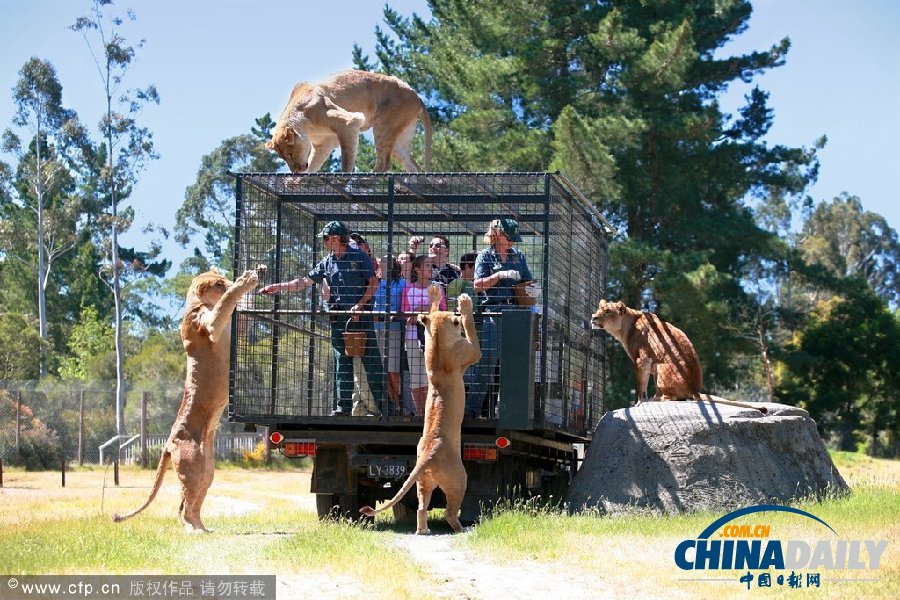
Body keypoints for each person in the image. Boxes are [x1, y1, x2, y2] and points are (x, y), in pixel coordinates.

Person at [260, 221, 385, 416]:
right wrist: (279, 287)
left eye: (326, 238)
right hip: (338, 319)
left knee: (372, 363)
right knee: (342, 364)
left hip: (361, 318)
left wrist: (360, 306)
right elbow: (304, 281)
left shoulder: (359, 256)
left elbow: (373, 284)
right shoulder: (327, 262)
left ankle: (384, 408)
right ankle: (343, 409)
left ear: (335, 238)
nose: (325, 242)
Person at [464, 218, 541, 418]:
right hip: (494, 313)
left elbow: (527, 281)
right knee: (487, 362)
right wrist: (500, 275)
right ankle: (471, 411)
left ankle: (512, 413)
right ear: (497, 234)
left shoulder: (518, 256)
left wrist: (532, 288)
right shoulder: (485, 257)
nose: (512, 241)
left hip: (516, 314)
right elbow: (477, 285)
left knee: (514, 364)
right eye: (509, 236)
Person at [402, 254, 446, 416]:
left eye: (431, 265)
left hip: (433, 338)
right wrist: (424, 312)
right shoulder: (408, 289)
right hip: (413, 337)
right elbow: (406, 314)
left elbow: (441, 311)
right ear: (417, 269)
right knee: (416, 376)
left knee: (431, 375)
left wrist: (421, 314)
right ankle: (419, 413)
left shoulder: (437, 288)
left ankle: (431, 412)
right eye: (427, 266)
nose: (430, 269)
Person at [373, 254, 409, 416]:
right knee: (382, 370)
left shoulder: (401, 282)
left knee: (393, 370)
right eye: (383, 259)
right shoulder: (376, 281)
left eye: (389, 259)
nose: (384, 261)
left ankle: (398, 401)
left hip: (394, 328)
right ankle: (390, 406)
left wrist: (396, 315)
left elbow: (405, 305)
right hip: (376, 328)